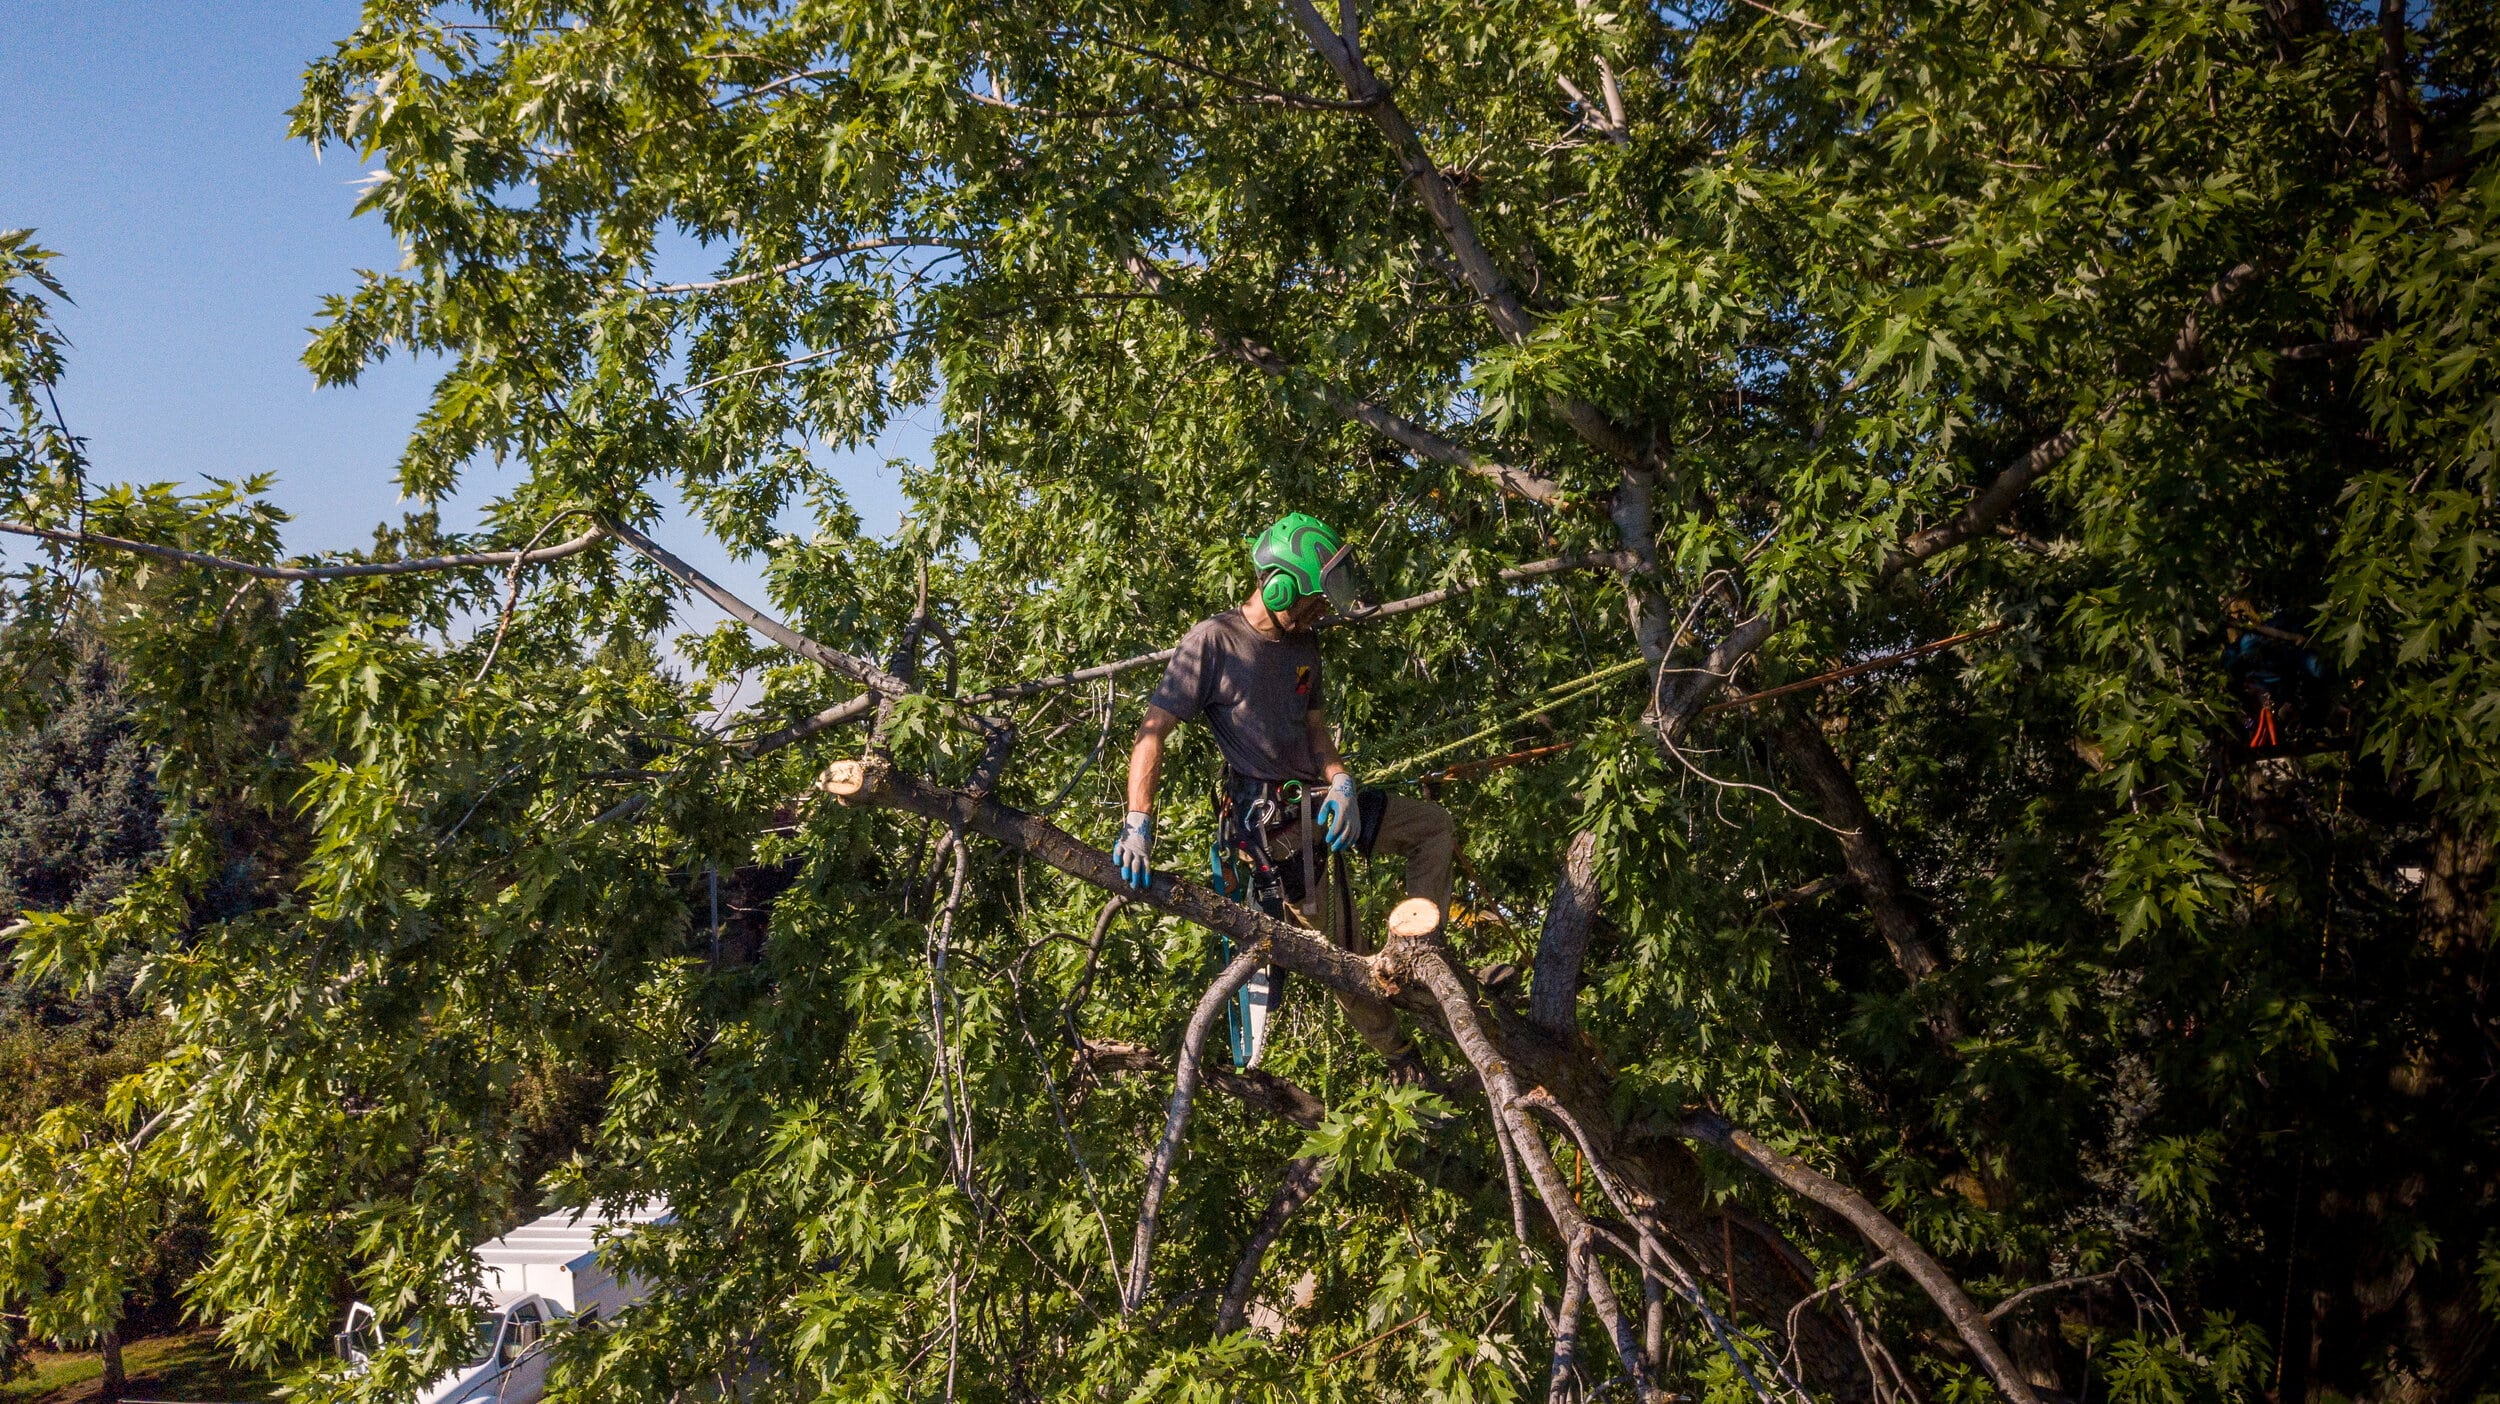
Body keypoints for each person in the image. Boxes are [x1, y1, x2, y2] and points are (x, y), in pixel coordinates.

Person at [1113, 512, 1456, 1063]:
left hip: (1323, 802)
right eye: (1314, 602)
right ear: (1279, 586)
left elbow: (1317, 735)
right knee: (1348, 960)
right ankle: (1401, 1058)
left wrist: (1341, 780)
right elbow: (1151, 733)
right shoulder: (1215, 641)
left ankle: (1421, 953)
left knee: (1433, 829)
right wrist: (1138, 822)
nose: (1319, 614)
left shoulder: (1304, 647)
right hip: (1275, 830)